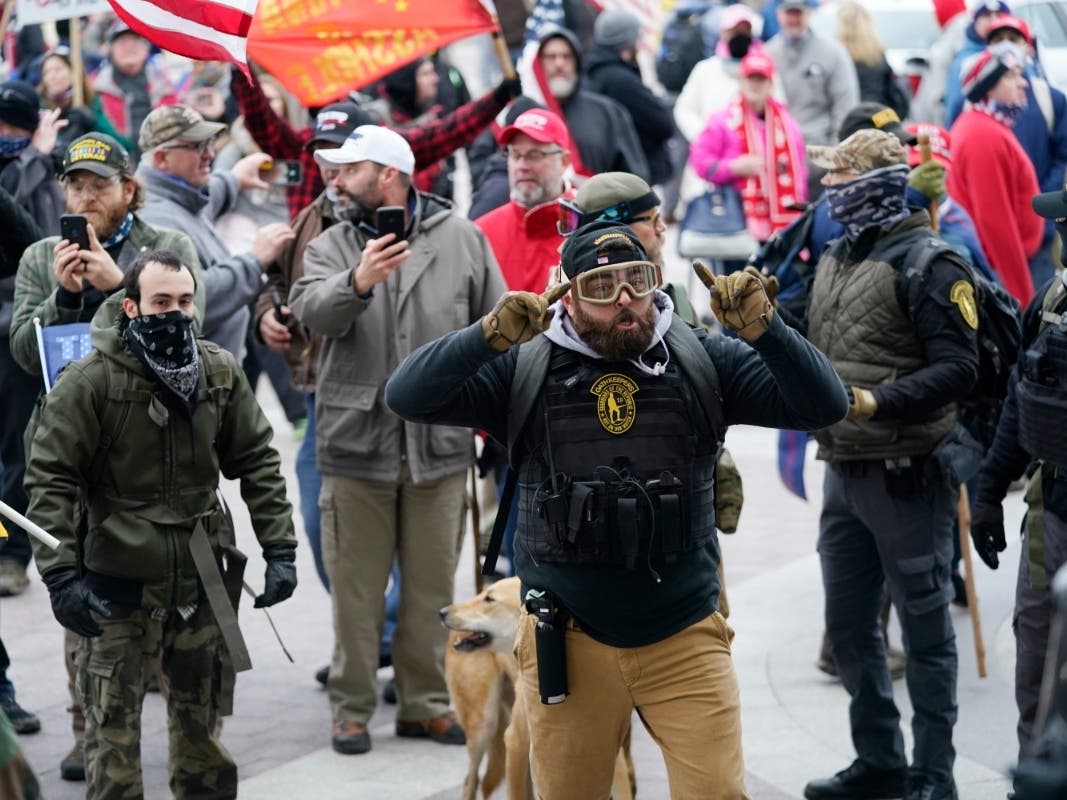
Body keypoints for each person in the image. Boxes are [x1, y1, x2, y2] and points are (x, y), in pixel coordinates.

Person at [384, 219, 848, 798]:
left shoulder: (703, 358)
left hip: (685, 634)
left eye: (638, 280)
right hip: (567, 638)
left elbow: (826, 406)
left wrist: (769, 332)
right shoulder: (526, 367)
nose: (626, 300)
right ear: (568, 296)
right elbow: (405, 395)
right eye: (602, 287)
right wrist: (487, 336)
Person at [23, 249, 298, 799]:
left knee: (202, 733)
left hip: (200, 575)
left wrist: (280, 548)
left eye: (185, 301)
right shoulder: (89, 382)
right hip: (114, 582)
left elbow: (258, 460)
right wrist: (59, 577)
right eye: (160, 303)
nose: (175, 314)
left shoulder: (217, 370)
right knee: (112, 738)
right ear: (131, 307)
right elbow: (48, 480)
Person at [288, 125, 506, 755]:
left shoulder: (462, 238)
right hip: (356, 445)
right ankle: (351, 708)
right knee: (356, 591)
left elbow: (494, 332)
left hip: (438, 447)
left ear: (389, 175)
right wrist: (356, 282)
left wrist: (492, 424)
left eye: (347, 170)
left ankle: (426, 703)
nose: (335, 180)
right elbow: (312, 313)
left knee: (431, 590)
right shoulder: (331, 244)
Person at [786, 129, 978, 800]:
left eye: (840, 178)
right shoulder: (838, 252)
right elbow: (805, 327)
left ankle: (933, 775)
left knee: (924, 635)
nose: (829, 190)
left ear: (874, 185)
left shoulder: (932, 262)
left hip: (906, 474)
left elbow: (961, 368)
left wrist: (878, 401)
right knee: (848, 628)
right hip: (842, 468)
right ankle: (879, 761)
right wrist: (753, 321)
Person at [9, 132, 205, 782]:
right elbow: (21, 350)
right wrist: (66, 298)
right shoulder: (43, 253)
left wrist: (122, 286)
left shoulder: (162, 250)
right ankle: (87, 727)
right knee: (85, 594)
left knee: (163, 593)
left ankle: (161, 717)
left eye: (99, 184)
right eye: (75, 184)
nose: (85, 196)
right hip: (77, 455)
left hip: (156, 451)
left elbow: (189, 335)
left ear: (129, 188)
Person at [969, 180, 1067, 782]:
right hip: (1052, 512)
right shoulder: (1053, 301)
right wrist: (988, 490)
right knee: (1036, 661)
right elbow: (1020, 399)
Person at [231, 65, 522, 220]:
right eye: (324, 155)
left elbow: (444, 134)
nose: (334, 169)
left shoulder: (381, 148)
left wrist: (497, 98)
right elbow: (261, 120)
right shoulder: (300, 150)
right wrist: (239, 67)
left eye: (345, 155)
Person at [136, 103, 296, 357]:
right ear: (161, 158)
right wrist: (254, 261)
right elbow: (194, 299)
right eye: (197, 146)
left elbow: (203, 202)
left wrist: (235, 178)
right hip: (196, 383)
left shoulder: (180, 196)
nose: (209, 153)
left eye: (210, 143)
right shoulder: (156, 219)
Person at [0, 78, 66, 597]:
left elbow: (33, 238)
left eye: (15, 128)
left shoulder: (48, 167)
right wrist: (31, 157)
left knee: (20, 450)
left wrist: (41, 158)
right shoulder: (27, 164)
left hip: (23, 326)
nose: (7, 136)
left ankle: (13, 554)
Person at [947, 46, 1043, 305]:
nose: (1023, 83)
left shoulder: (986, 126)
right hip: (1000, 272)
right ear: (988, 87)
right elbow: (995, 224)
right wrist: (1021, 298)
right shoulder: (983, 136)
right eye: (1011, 76)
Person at [688, 51, 807, 245]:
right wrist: (733, 168)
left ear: (771, 84)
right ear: (741, 81)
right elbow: (700, 163)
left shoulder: (788, 125)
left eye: (761, 79)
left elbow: (800, 172)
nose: (755, 84)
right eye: (750, 78)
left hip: (779, 225)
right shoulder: (722, 121)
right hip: (734, 220)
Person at [519, 26, 650, 182]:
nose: (559, 64)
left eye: (566, 56)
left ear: (577, 62)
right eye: (551, 57)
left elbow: (634, 176)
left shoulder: (608, 112)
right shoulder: (523, 114)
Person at [765, 0, 860, 200]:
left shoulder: (832, 52)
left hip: (820, 154)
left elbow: (845, 107)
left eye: (798, 13)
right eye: (789, 13)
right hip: (777, 159)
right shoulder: (767, 54)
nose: (793, 19)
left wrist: (836, 155)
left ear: (809, 13)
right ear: (778, 14)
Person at [474, 108, 573, 293]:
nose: (522, 166)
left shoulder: (592, 222)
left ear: (564, 160)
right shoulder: (481, 233)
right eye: (515, 155)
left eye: (534, 155)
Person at [584, 9, 677, 186]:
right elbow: (663, 124)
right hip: (638, 175)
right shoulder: (620, 81)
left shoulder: (593, 74)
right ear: (626, 42)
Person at [92, 20, 179, 159]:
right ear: (110, 49)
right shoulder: (93, 91)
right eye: (122, 42)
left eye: (135, 40)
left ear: (146, 49)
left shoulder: (165, 88)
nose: (129, 47)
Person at [834, 0, 908, 118]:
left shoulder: (837, 55)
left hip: (849, 119)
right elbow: (891, 93)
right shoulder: (878, 53)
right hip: (878, 118)